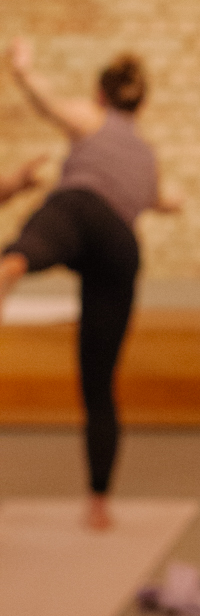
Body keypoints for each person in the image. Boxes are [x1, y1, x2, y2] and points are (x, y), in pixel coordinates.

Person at [0, 42, 181, 530]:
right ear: (141, 104)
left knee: (46, 232)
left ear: (101, 95)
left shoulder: (92, 117)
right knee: (99, 381)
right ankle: (99, 502)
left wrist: (24, 70)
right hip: (121, 244)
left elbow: (48, 103)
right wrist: (174, 202)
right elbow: (159, 200)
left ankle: (13, 266)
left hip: (82, 208)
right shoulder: (145, 153)